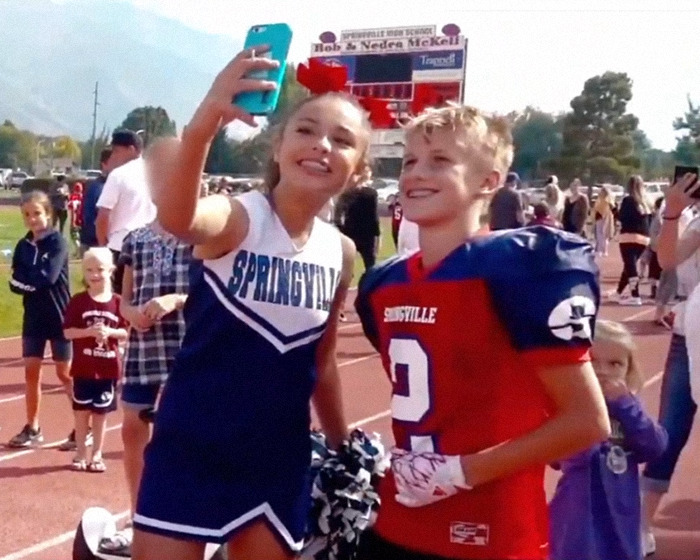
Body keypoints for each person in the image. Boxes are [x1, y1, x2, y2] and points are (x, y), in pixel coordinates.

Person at [130, 48, 367, 560]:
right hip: (193, 446)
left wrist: (343, 446)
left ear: (359, 168)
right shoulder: (239, 218)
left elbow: (320, 363)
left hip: (277, 460)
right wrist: (204, 127)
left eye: (343, 140)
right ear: (278, 145)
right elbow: (181, 218)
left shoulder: (340, 252)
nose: (322, 145)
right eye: (305, 130)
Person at [354, 104, 610, 560]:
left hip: (491, 531)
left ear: (489, 181)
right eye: (410, 161)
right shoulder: (383, 283)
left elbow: (586, 422)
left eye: (440, 161)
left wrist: (459, 472)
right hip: (398, 521)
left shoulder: (521, 268)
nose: (416, 174)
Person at [98, 220, 194, 555]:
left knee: (180, 434)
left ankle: (187, 519)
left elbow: (215, 291)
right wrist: (131, 313)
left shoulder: (201, 233)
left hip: (189, 344)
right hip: (145, 346)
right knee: (132, 430)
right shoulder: (135, 239)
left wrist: (177, 299)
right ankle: (140, 518)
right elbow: (124, 299)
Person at [548, 320, 667, 560]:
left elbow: (655, 446)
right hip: (577, 513)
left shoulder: (629, 408)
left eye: (615, 364)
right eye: (592, 361)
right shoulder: (567, 406)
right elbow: (559, 459)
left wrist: (625, 406)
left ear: (628, 370)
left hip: (622, 512)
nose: (603, 371)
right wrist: (588, 408)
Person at [641, 172, 700, 556]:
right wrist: (673, 213)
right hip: (689, 332)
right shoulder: (695, 221)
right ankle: (641, 528)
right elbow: (667, 260)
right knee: (670, 430)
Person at [7, 191, 73, 448]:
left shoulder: (58, 243)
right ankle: (33, 427)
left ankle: (83, 426)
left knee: (64, 373)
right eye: (27, 214)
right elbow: (14, 281)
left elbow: (48, 277)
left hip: (59, 316)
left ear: (48, 213)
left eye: (37, 213)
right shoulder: (23, 246)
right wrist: (30, 280)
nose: (32, 219)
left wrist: (29, 279)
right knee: (31, 372)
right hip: (33, 317)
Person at [62, 247, 128, 472]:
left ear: (111, 270)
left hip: (107, 368)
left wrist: (110, 333)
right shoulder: (78, 301)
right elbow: (68, 332)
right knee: (81, 413)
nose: (94, 274)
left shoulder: (119, 303)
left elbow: (128, 332)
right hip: (83, 368)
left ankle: (97, 454)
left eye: (100, 269)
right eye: (89, 269)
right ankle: (80, 452)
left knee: (100, 414)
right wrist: (89, 332)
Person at [96, 129, 157, 295]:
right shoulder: (157, 173)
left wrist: (102, 245)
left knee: (117, 301)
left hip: (120, 246)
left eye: (117, 151)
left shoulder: (118, 175)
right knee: (144, 298)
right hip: (151, 247)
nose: (113, 156)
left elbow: (103, 214)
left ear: (132, 149)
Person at [610, 175, 653, 306]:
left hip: (628, 236)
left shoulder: (628, 200)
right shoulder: (646, 201)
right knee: (629, 265)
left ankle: (635, 295)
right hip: (644, 238)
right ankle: (618, 292)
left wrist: (614, 210)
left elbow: (623, 218)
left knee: (630, 266)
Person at [336, 179, 381, 271]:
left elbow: (339, 212)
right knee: (370, 264)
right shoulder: (371, 194)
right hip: (367, 233)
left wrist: (339, 228)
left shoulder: (347, 193)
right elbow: (374, 216)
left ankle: (345, 281)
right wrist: (377, 234)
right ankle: (369, 283)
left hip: (350, 230)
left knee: (346, 264)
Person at [80, 148, 112, 255]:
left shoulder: (111, 185)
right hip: (96, 244)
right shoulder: (98, 188)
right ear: (104, 164)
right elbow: (90, 219)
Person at [592, 186, 615, 256]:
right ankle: (602, 250)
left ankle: (602, 250)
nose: (600, 193)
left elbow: (602, 210)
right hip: (600, 218)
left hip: (602, 218)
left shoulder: (605, 201)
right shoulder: (602, 200)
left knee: (602, 234)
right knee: (601, 234)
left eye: (601, 191)